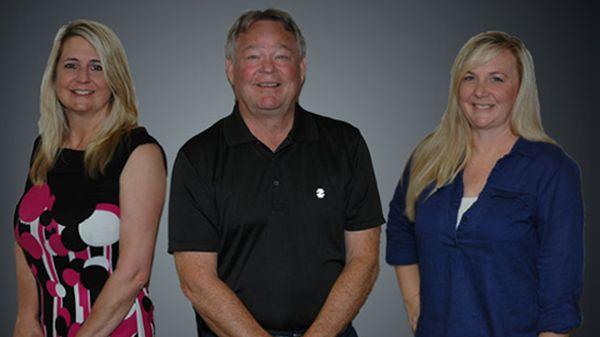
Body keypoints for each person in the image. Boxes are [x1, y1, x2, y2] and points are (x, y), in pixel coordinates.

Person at [169, 8, 384, 337]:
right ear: (231, 69)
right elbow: (196, 281)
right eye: (253, 56)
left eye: (281, 56)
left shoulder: (346, 144)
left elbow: (364, 260)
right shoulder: (197, 157)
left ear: (302, 68)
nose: (268, 69)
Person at [386, 31, 584, 337]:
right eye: (469, 77)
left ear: (520, 89)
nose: (480, 91)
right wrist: (415, 306)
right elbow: (401, 227)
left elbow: (559, 289)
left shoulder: (551, 170)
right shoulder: (429, 157)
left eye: (496, 78)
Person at [13, 19, 166, 337]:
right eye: (72, 65)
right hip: (50, 326)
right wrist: (27, 315)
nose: (83, 78)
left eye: (97, 66)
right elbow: (27, 237)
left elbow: (134, 272)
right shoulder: (45, 149)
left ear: (115, 79)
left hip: (114, 328)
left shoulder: (139, 152)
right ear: (55, 76)